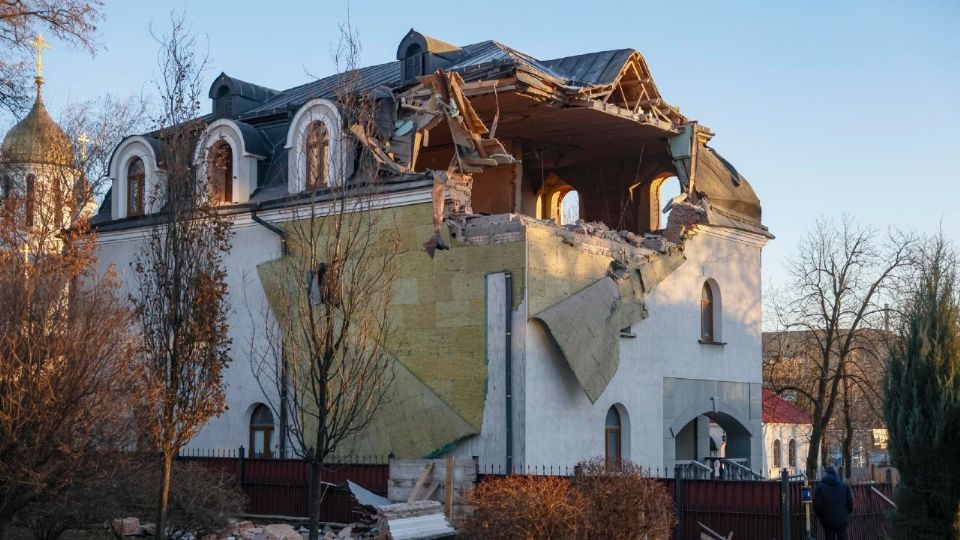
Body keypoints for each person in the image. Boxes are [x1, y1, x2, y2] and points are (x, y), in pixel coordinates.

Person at [813, 465, 854, 540]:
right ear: (836, 473)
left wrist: (821, 517)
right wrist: (846, 514)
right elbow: (850, 504)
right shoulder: (844, 486)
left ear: (825, 474)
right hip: (842, 519)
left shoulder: (819, 487)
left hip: (827, 520)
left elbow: (817, 506)